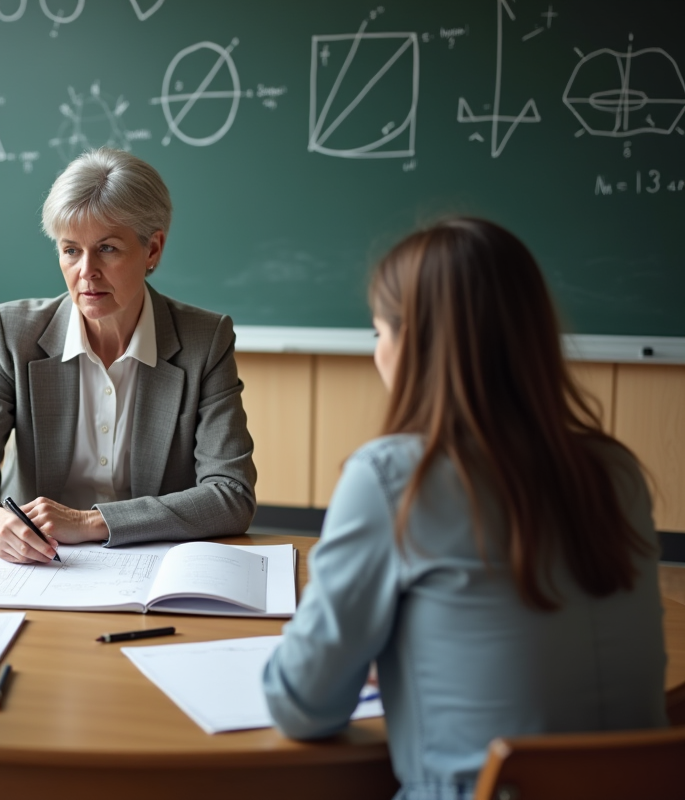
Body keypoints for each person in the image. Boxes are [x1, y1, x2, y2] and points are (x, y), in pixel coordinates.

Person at [263, 218, 667, 799]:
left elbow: (302, 705)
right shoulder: (616, 470)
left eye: (378, 332)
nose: (377, 352)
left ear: (411, 342)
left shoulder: (391, 478)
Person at [0, 148, 257, 563]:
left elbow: (231, 494)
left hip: (149, 562)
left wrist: (91, 522)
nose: (86, 271)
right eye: (71, 250)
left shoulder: (204, 341)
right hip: (38, 564)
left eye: (107, 248)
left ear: (152, 250)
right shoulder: (14, 333)